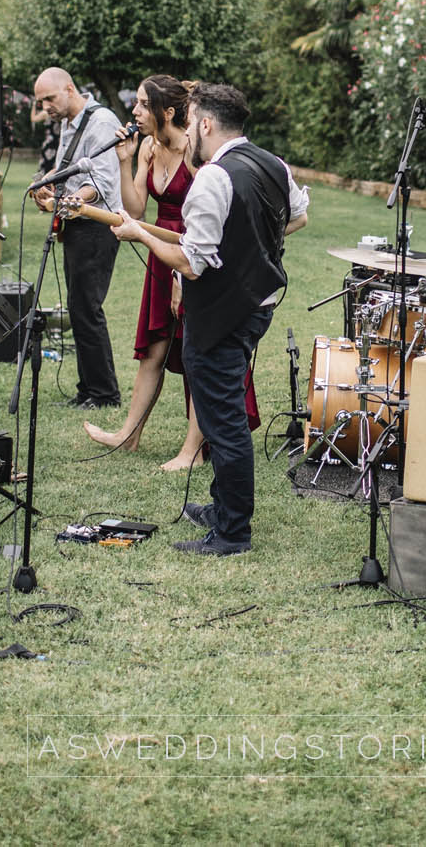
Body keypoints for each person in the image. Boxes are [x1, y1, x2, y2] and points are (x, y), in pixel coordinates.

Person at [113, 82, 309, 556]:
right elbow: (298, 214)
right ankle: (221, 505)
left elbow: (190, 262)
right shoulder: (272, 164)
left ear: (204, 123)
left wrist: (139, 233)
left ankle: (232, 532)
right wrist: (252, 242)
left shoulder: (213, 178)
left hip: (222, 314)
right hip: (256, 307)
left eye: (192, 119)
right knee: (222, 414)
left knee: (224, 424)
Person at [87, 75, 208, 465]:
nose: (135, 112)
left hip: (191, 250)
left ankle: (195, 448)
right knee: (153, 348)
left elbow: (203, 215)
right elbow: (136, 210)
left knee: (196, 353)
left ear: (167, 112)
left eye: (142, 104)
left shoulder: (194, 149)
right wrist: (125, 160)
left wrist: (181, 274)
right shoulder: (149, 150)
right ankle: (128, 434)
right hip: (157, 246)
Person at [31, 67, 124, 411]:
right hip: (76, 224)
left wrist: (70, 201)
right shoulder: (69, 121)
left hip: (96, 226)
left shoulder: (100, 123)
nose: (46, 108)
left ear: (69, 89)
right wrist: (47, 184)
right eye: (41, 102)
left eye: (50, 99)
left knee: (87, 309)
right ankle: (88, 389)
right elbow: (70, 168)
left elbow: (100, 184)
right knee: (77, 307)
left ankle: (104, 394)